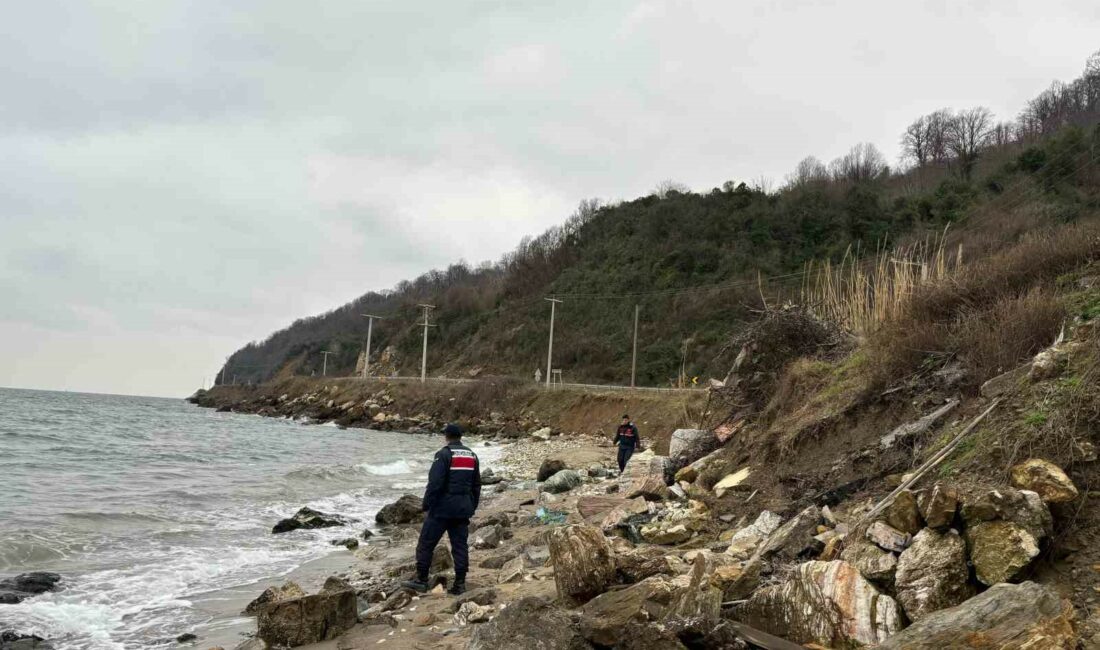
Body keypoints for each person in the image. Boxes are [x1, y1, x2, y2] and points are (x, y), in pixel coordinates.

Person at [401, 423, 481, 595]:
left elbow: (435, 483)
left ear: (446, 436)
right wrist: (472, 506)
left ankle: (421, 580)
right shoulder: (472, 456)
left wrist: (426, 504)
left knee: (426, 544)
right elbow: (476, 485)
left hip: (442, 510)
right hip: (462, 509)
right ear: (460, 436)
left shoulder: (443, 455)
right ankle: (460, 584)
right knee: (460, 547)